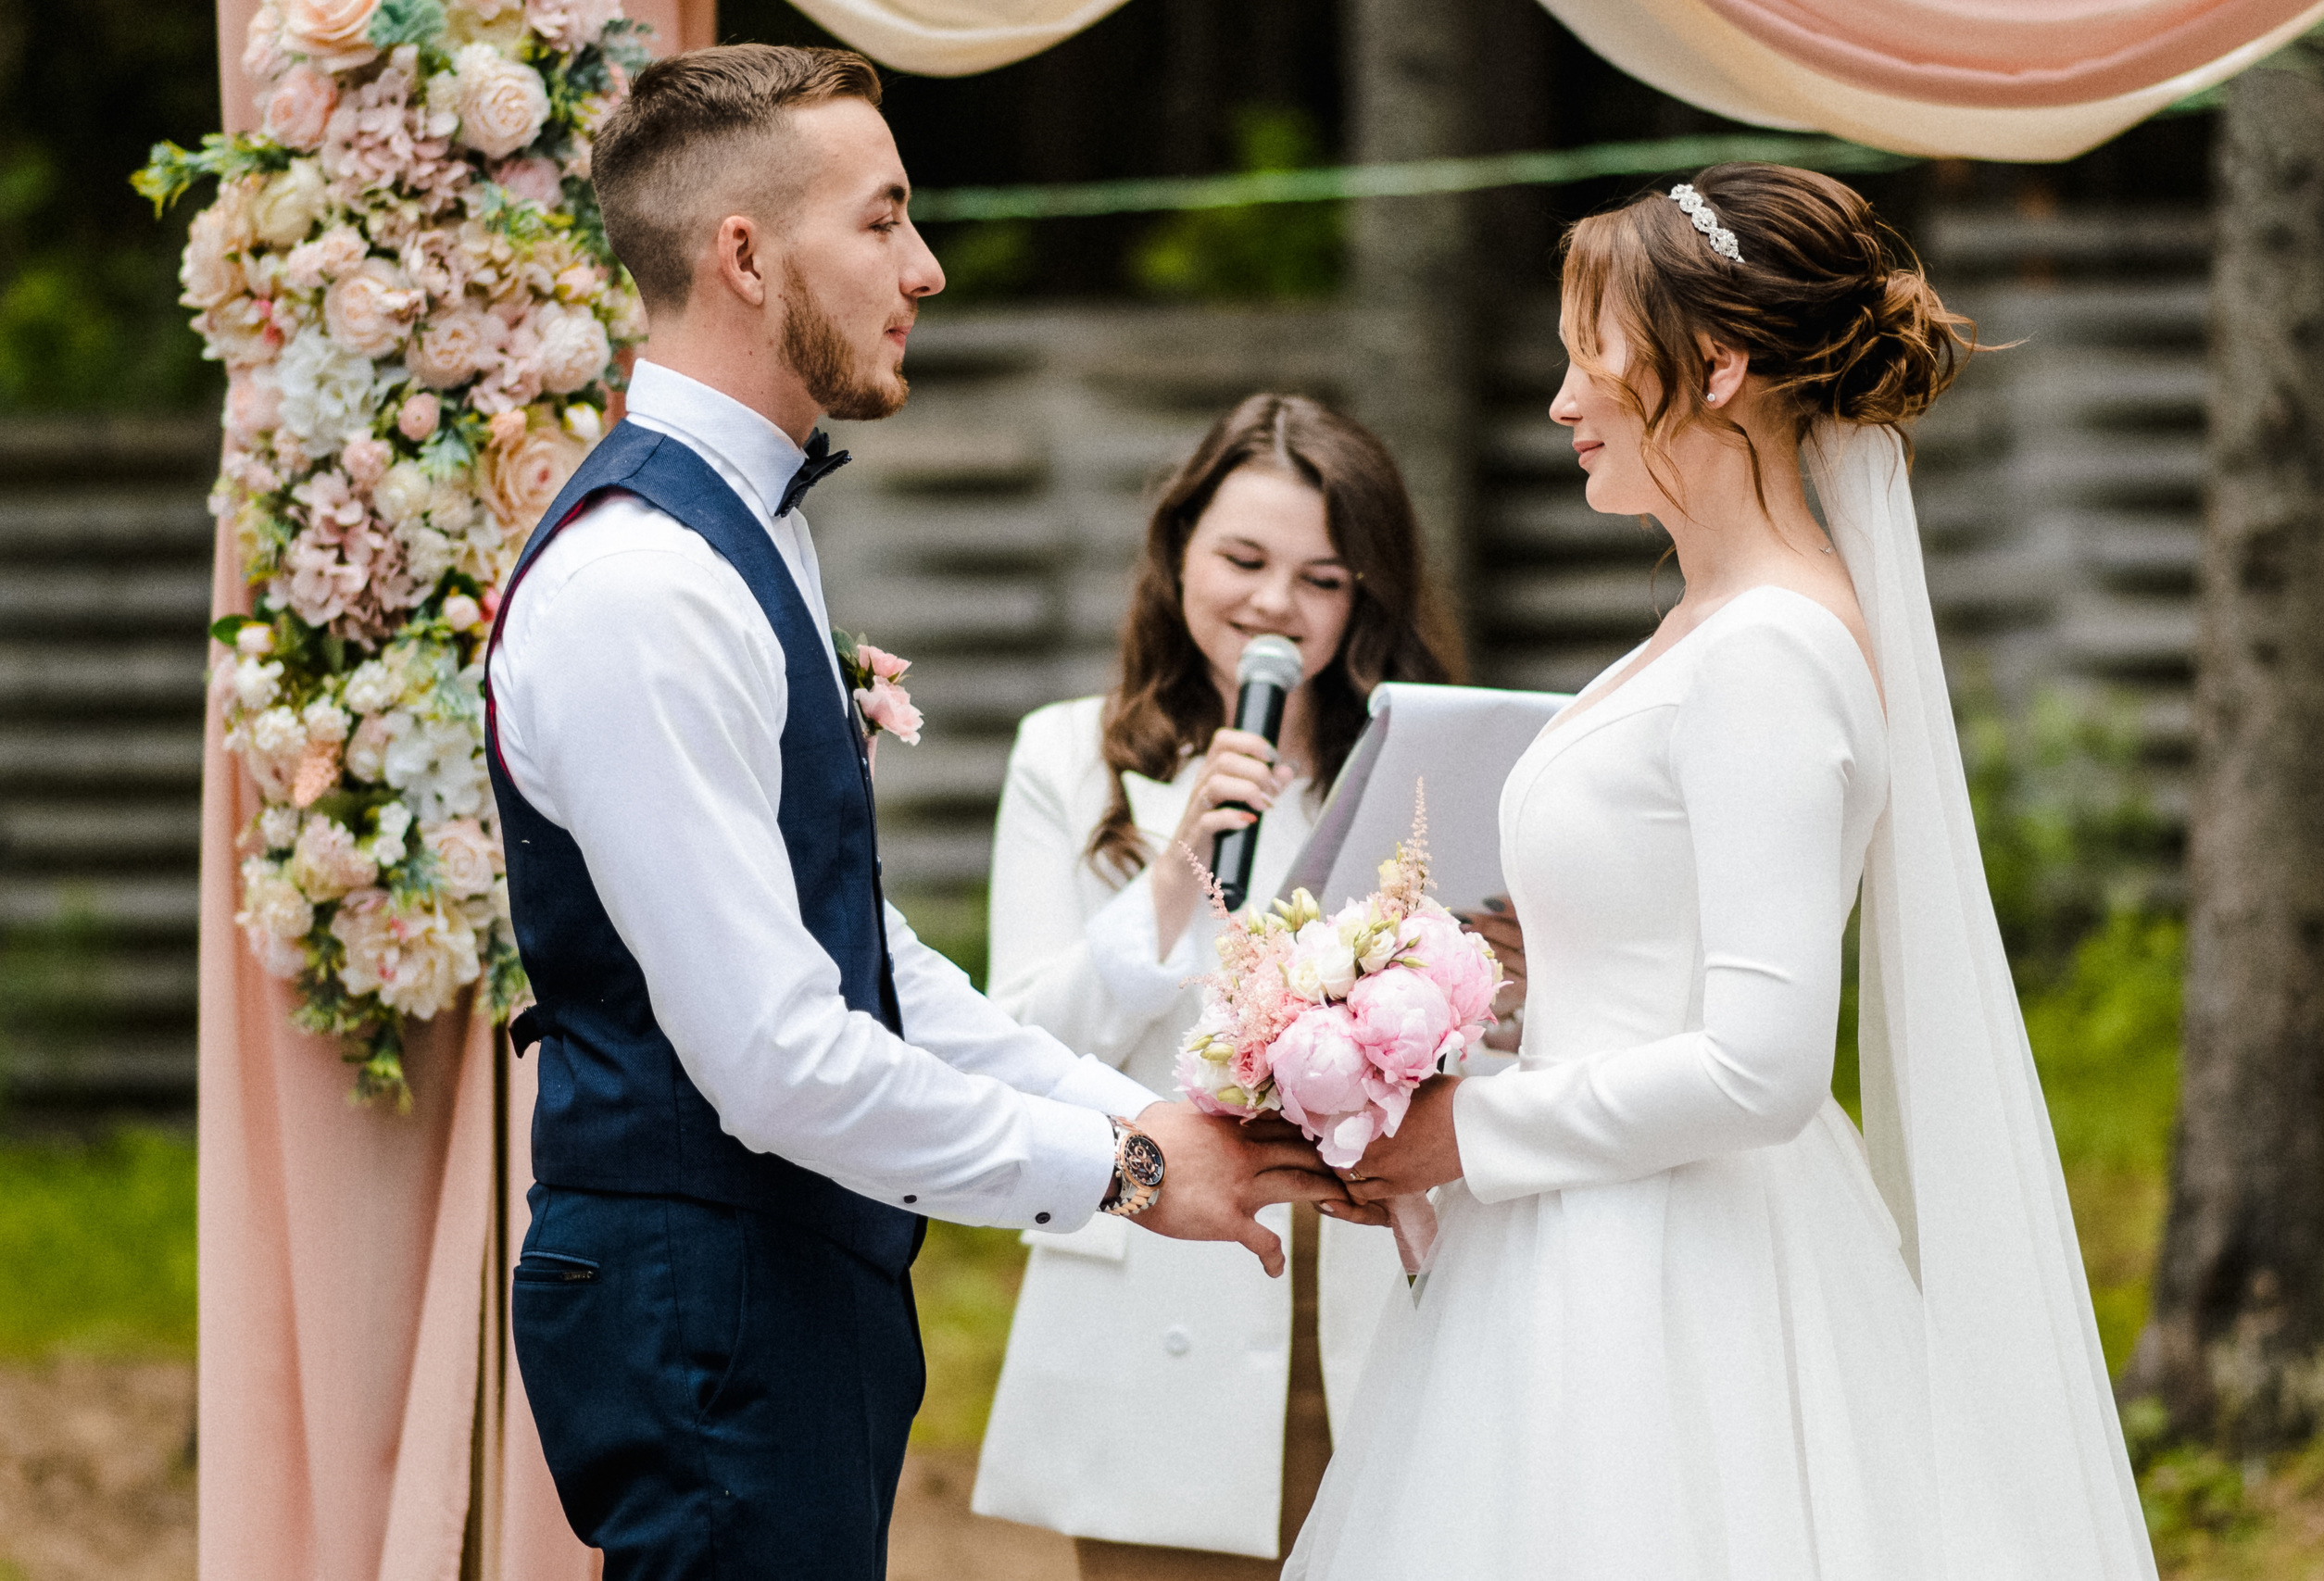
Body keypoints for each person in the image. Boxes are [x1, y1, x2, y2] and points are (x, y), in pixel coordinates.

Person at [483, 45, 1350, 1580]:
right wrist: (1128, 1174)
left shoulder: (743, 537)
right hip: (709, 1300)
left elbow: (854, 953)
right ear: (745, 257)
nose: (928, 269)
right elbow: (773, 1060)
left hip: (777, 1287)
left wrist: (1123, 1112)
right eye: (883, 222)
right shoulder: (645, 588)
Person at [1285, 165, 2156, 1579]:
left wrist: (1464, 1131)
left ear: (1722, 365)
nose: (1563, 401)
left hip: (1680, 1275)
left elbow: (1762, 1063)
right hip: (1582, 1232)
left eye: (1592, 358)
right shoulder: (1706, 626)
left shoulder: (1770, 654)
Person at [969, 395, 1467, 1579]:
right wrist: (1174, 875)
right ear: (1178, 547)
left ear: (1368, 599)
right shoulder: (1068, 754)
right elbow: (1019, 1041)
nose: (1272, 608)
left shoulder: (1419, 771)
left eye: (1322, 579)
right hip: (1163, 1286)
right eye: (1242, 559)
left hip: (1374, 1290)